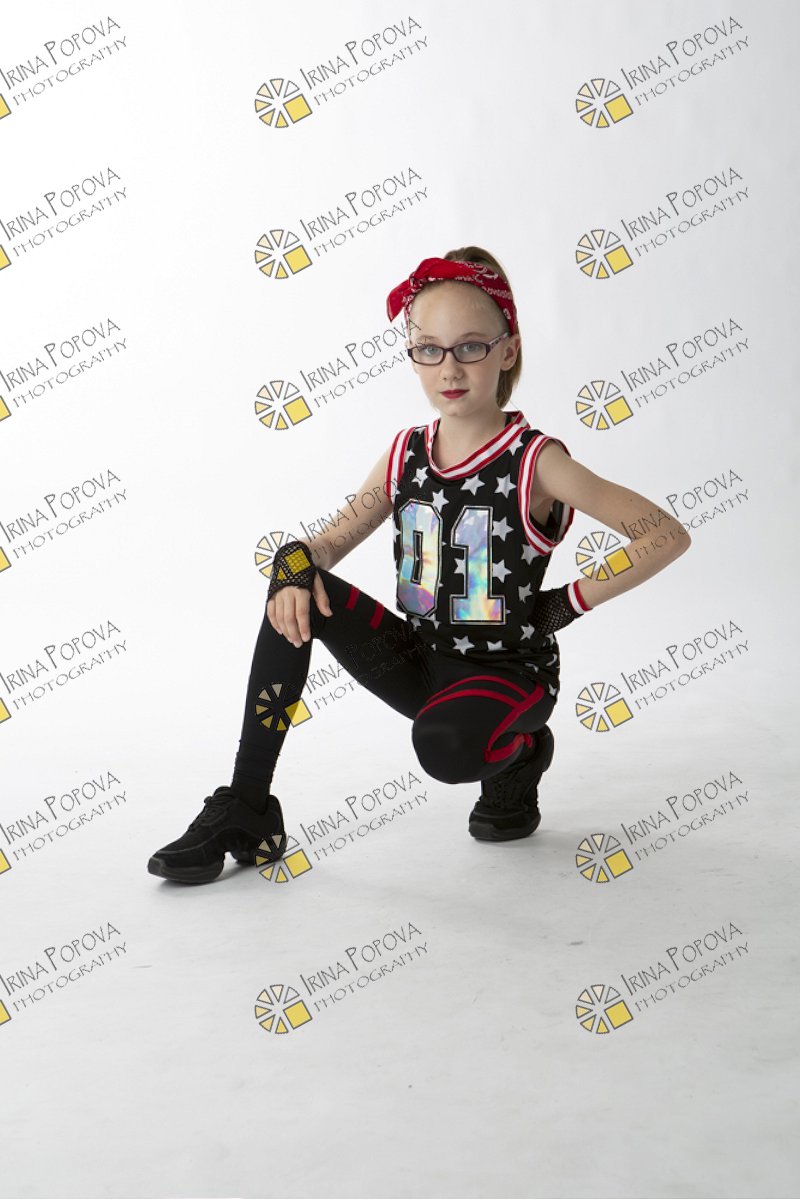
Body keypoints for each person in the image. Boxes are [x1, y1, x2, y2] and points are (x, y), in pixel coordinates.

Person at [148, 246, 692, 884]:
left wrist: (566, 603)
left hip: (508, 673)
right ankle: (247, 803)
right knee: (292, 579)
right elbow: (326, 544)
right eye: (429, 349)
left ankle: (521, 754)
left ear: (507, 351)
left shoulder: (535, 461)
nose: (449, 368)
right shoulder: (405, 454)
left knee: (446, 748)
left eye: (470, 347)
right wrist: (293, 566)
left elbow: (664, 534)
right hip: (417, 660)